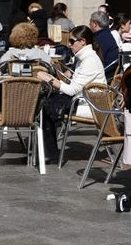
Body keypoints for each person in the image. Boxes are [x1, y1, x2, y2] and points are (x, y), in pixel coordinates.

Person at [36, 25, 106, 162]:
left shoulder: (90, 60)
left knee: (45, 106)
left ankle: (49, 153)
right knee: (45, 102)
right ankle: (46, 151)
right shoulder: (84, 58)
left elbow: (72, 90)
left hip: (91, 106)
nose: (69, 44)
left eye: (72, 41)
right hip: (83, 100)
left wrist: (49, 79)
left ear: (83, 41)